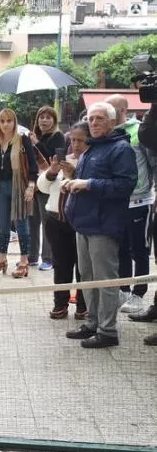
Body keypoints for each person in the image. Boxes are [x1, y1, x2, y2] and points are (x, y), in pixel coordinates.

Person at [62, 101, 137, 348]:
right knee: (87, 277)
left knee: (105, 280)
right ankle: (92, 323)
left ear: (112, 122)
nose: (93, 123)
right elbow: (88, 181)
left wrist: (88, 184)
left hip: (104, 226)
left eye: (100, 119)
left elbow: (125, 185)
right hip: (84, 223)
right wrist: (72, 181)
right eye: (91, 118)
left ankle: (107, 331)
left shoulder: (121, 148)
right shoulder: (93, 148)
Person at [105, 94, 156, 315]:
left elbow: (152, 163)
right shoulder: (109, 133)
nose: (109, 114)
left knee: (140, 249)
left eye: (113, 110)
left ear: (124, 110)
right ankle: (123, 289)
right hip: (118, 201)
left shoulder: (139, 131)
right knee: (121, 248)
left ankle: (139, 293)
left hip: (140, 199)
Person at [38, 121, 89, 320]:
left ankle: (83, 306)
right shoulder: (62, 160)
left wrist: (72, 175)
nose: (75, 145)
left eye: (80, 141)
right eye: (72, 140)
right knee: (60, 264)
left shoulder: (90, 162)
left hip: (80, 222)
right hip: (55, 220)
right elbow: (43, 187)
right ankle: (60, 304)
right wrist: (52, 171)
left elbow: (87, 188)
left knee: (83, 266)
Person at [0, 108, 39, 278]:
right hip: (1, 188)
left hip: (19, 187)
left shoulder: (23, 140)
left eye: (9, 121)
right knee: (3, 227)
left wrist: (31, 186)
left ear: (14, 123)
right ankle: (2, 259)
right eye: (2, 121)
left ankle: (24, 261)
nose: (5, 124)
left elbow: (33, 165)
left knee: (21, 224)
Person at [29, 106, 66, 270]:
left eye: (48, 117)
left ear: (54, 120)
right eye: (41, 117)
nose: (44, 120)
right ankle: (31, 256)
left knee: (47, 222)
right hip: (33, 185)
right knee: (32, 220)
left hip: (48, 185)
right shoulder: (36, 136)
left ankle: (48, 258)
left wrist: (36, 143)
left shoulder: (58, 136)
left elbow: (54, 158)